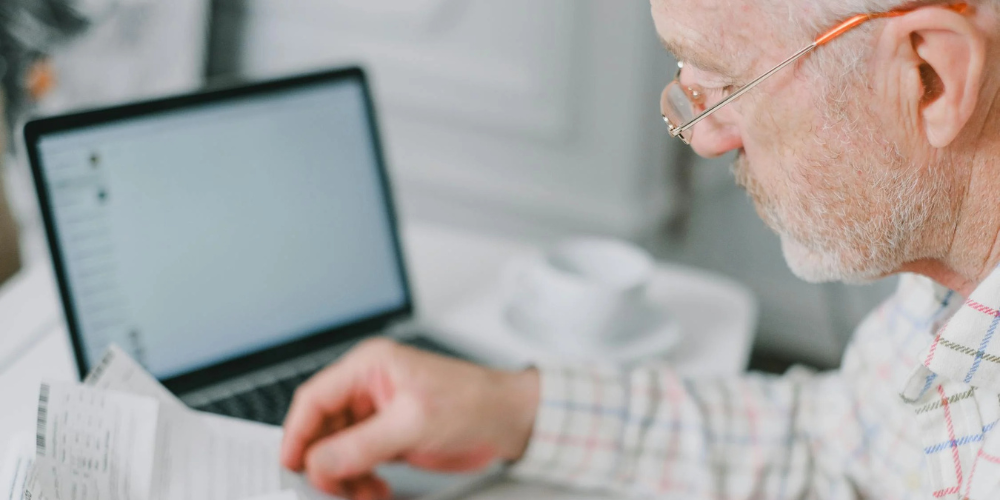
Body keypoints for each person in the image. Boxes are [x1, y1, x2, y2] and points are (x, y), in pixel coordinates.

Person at [280, 0, 1000, 498]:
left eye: (721, 82)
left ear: (929, 77)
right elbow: (833, 443)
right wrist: (508, 407)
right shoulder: (949, 277)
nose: (703, 134)